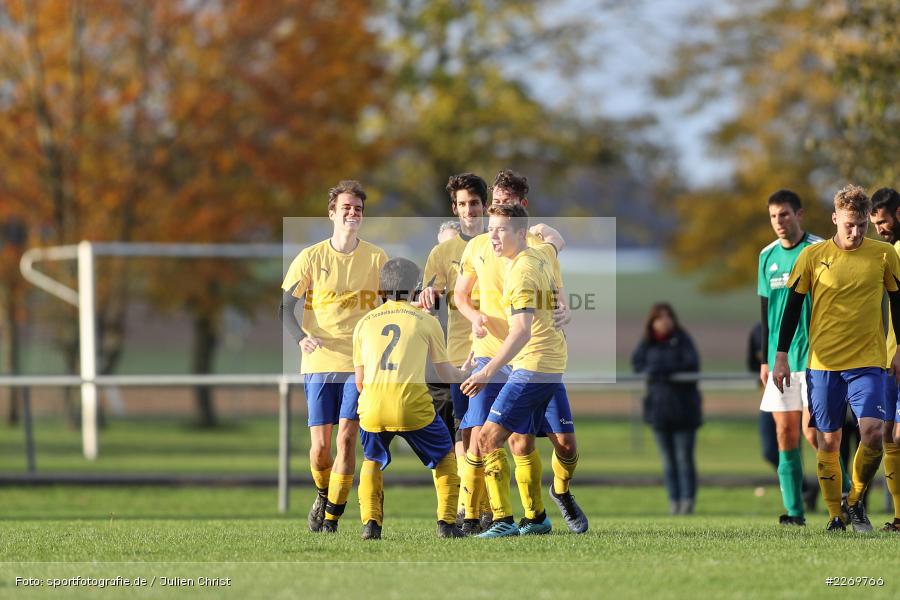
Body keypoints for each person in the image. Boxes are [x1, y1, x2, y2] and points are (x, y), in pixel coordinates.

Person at [454, 169, 587, 534]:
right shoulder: (479, 246)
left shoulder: (534, 247)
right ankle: (509, 517)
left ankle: (560, 491)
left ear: (520, 208)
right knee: (503, 438)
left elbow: (554, 280)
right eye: (494, 203)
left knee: (565, 443)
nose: (497, 211)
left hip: (532, 352)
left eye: (506, 205)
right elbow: (460, 296)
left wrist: (565, 307)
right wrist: (474, 316)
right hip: (494, 352)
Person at [773, 184, 900, 533]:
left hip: (868, 361)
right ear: (835, 219)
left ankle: (856, 500)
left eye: (861, 225)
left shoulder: (885, 254)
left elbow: (898, 302)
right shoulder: (812, 257)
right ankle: (835, 516)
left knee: (873, 434)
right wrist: (781, 355)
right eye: (849, 225)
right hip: (823, 364)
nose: (856, 232)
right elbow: (792, 307)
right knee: (827, 441)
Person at [279, 180, 388, 533]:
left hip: (360, 364)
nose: (353, 213)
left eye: (358, 208)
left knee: (345, 439)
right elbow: (285, 308)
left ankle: (331, 518)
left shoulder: (376, 257)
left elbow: (394, 304)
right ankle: (323, 493)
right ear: (332, 214)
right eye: (346, 208)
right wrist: (300, 339)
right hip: (320, 362)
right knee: (321, 447)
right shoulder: (311, 257)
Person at [352, 257, 470, 539]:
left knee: (371, 459)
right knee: (445, 456)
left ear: (381, 289)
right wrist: (465, 371)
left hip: (372, 406)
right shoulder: (426, 322)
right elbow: (444, 374)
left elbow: (359, 382)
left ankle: (371, 524)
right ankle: (447, 524)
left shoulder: (363, 323)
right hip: (411, 405)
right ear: (415, 288)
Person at [418, 173, 490, 528]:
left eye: (474, 203)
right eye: (462, 204)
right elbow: (426, 299)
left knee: (494, 432)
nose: (468, 210)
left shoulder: (499, 243)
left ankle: (494, 508)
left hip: (496, 349)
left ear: (485, 206)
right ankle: (470, 507)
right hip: (460, 354)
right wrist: (427, 297)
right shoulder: (443, 252)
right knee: (466, 431)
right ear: (454, 208)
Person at [757, 189, 824, 526]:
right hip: (780, 360)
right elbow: (766, 310)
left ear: (799, 214)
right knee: (786, 434)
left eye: (784, 214)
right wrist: (766, 359)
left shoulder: (818, 249)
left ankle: (841, 504)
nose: (778, 222)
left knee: (816, 434)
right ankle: (795, 513)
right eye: (773, 216)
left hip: (815, 356)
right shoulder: (766, 256)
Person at [631, 302, 702, 515]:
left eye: (668, 316)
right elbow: (637, 364)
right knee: (668, 460)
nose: (664, 321)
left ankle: (687, 501)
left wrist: (662, 369)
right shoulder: (647, 343)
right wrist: (654, 370)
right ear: (652, 322)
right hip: (659, 410)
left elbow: (691, 364)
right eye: (659, 317)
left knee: (684, 458)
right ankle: (674, 501)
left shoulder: (682, 339)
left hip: (684, 410)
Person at [869, 186, 900, 532]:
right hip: (890, 358)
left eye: (883, 221)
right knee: (889, 435)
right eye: (874, 222)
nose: (879, 227)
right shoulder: (886, 253)